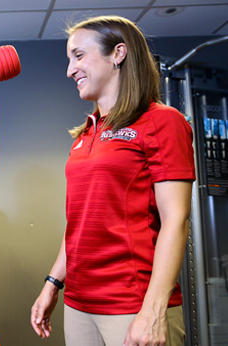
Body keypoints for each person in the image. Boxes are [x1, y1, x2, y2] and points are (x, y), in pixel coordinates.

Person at [30, 15, 195, 346]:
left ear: (118, 53)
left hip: (132, 304)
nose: (69, 69)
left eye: (78, 55)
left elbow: (176, 220)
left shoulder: (161, 121)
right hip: (79, 303)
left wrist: (154, 310)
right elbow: (81, 222)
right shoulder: (87, 132)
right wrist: (53, 283)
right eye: (68, 59)